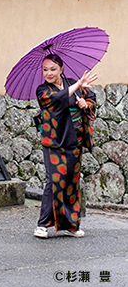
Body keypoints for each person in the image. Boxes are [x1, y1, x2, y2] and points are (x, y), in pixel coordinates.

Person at [34, 54, 97, 239]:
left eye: (53, 69)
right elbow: (57, 99)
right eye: (45, 69)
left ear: (61, 69)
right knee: (54, 180)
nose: (48, 73)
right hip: (54, 142)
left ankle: (71, 224)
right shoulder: (42, 90)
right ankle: (42, 225)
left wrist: (85, 104)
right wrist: (77, 84)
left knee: (71, 180)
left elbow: (91, 99)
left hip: (75, 140)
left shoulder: (72, 85)